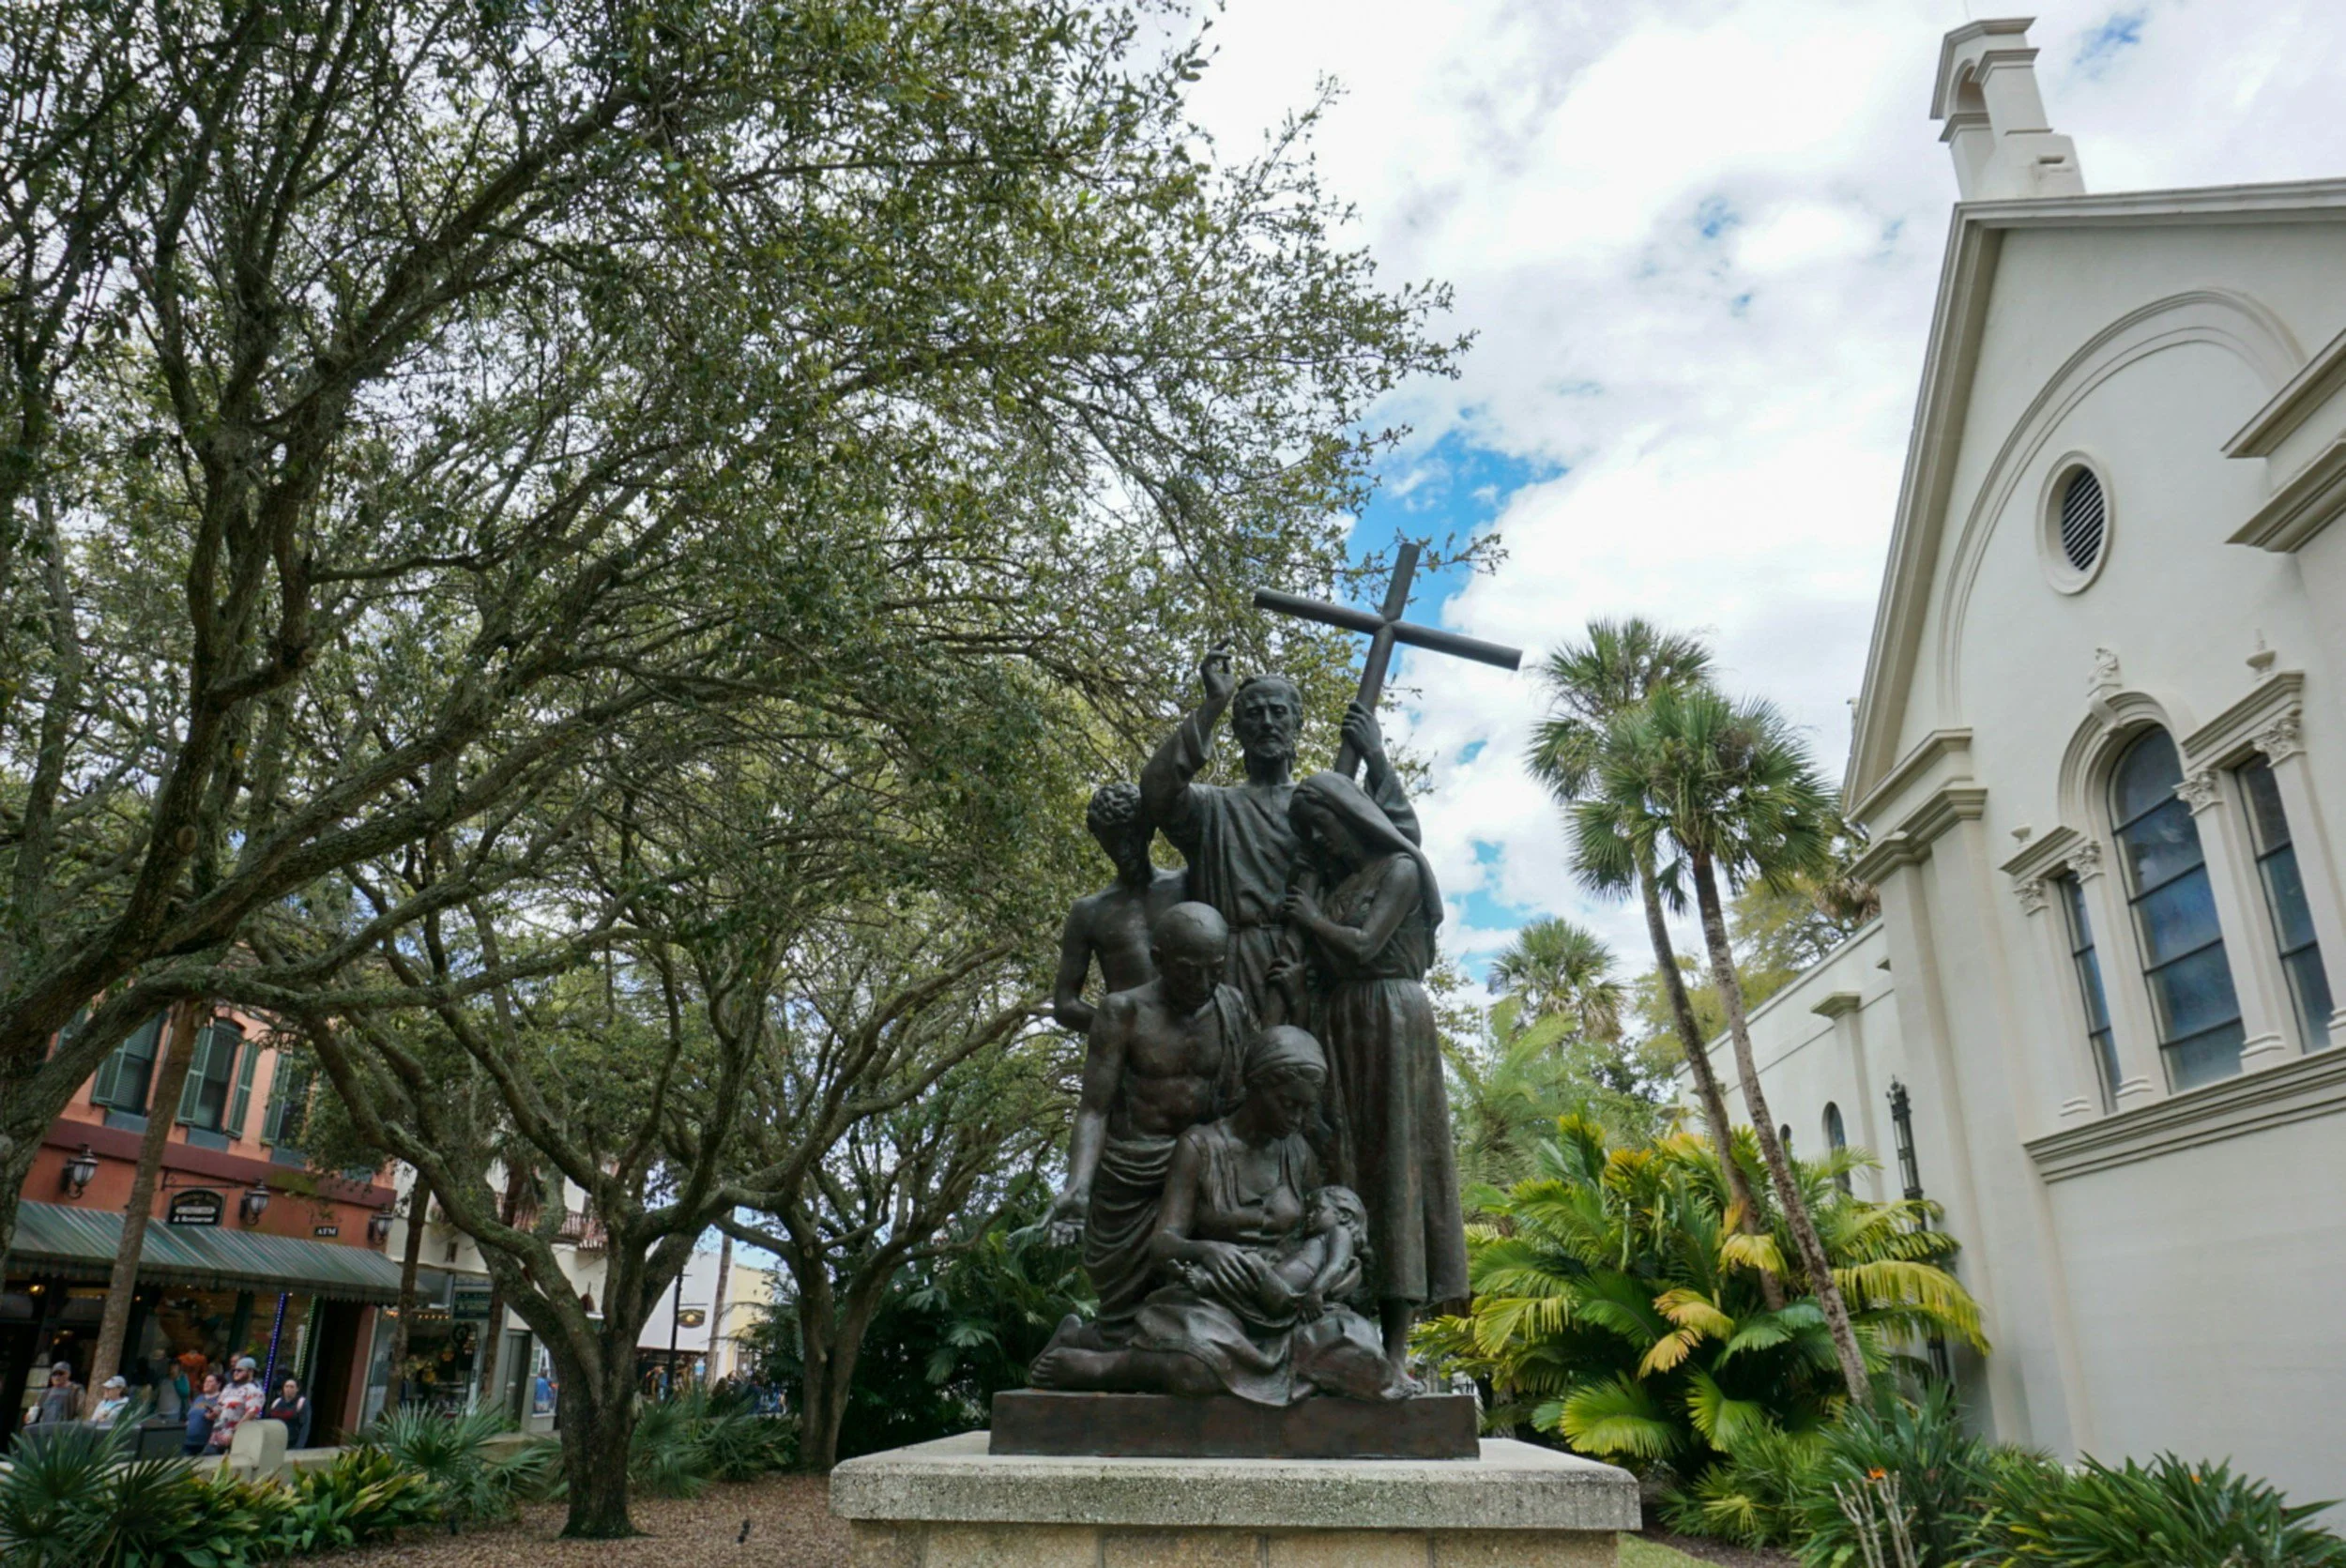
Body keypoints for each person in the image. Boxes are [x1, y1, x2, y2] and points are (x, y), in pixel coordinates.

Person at [1029, 1026, 1407, 1405]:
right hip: (1215, 1300)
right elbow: (1163, 1243)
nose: (1296, 1117)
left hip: (1285, 1303)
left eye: (1305, 1107)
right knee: (1198, 1367)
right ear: (1256, 1086)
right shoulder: (1200, 1146)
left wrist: (1335, 1273)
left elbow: (1318, 1234)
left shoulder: (1298, 1153)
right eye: (1288, 1103)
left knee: (1362, 1352)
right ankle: (1101, 1367)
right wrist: (1209, 1251)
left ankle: (1276, 1369)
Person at [1282, 769, 1468, 1371]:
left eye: (1322, 824)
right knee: (1342, 1160)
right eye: (1310, 832)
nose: (1320, 840)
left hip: (1391, 1017)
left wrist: (1311, 918)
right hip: (1339, 1023)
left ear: (1349, 815)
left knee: (1396, 1170)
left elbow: (1364, 946)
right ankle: (1341, 1323)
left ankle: (1397, 1349)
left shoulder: (1401, 869)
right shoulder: (1336, 883)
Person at [1141, 648, 1418, 1020]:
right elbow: (1156, 790)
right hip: (1228, 968)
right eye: (1254, 714)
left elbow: (1400, 844)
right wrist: (1213, 705)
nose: (1268, 723)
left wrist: (1375, 756)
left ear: (1297, 724)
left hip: (1306, 963)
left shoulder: (1326, 807)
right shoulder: (1211, 807)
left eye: (1278, 712)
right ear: (1237, 729)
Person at [1038, 903, 1255, 1337]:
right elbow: (1094, 1108)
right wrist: (1078, 1186)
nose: (1204, 984)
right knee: (1124, 1322)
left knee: (1199, 1311)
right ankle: (1080, 1344)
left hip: (1205, 1174)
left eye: (1215, 970)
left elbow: (1248, 1095)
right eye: (1190, 971)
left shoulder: (1232, 1006)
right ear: (1159, 959)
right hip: (1133, 1173)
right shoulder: (1123, 1012)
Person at [1051, 783, 1188, 1033]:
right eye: (1113, 841)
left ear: (1148, 830)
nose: (1123, 851)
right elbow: (1065, 1004)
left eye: (1130, 837)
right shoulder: (1088, 912)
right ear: (1099, 839)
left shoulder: (1187, 885)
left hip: (1197, 1036)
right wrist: (1122, 1030)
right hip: (1132, 1049)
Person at [209, 1356, 264, 1451]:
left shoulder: (254, 1389)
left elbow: (251, 1414)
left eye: (239, 1370)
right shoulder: (229, 1387)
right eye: (234, 1370)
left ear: (250, 1371)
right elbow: (220, 1405)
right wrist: (214, 1412)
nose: (235, 1373)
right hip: (218, 1434)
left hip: (238, 1437)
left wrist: (234, 1432)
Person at [22, 1362, 79, 1427]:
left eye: (61, 1373)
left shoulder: (75, 1391)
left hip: (63, 1430)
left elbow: (80, 1413)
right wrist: (29, 1417)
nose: (57, 1377)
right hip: (44, 1429)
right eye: (54, 1374)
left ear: (68, 1374)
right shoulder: (46, 1393)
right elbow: (36, 1410)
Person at [182, 1374, 222, 1454]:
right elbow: (191, 1416)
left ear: (218, 1384)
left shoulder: (221, 1399)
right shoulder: (199, 1398)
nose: (206, 1383)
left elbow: (219, 1417)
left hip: (205, 1444)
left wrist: (215, 1414)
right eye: (205, 1381)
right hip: (187, 1441)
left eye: (210, 1381)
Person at [267, 1377, 311, 1448]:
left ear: (297, 1389)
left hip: (291, 1442)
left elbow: (305, 1426)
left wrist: (299, 1446)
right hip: (274, 1441)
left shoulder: (302, 1403)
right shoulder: (277, 1402)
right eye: (286, 1386)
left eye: (292, 1387)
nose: (288, 1389)